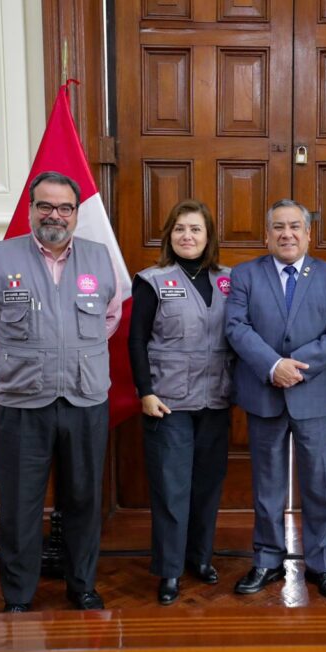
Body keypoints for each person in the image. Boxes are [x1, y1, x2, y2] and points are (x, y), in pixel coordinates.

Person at [0, 171, 122, 613]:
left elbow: (109, 319)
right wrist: (24, 356)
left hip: (84, 399)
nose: (55, 214)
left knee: (84, 501)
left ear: (76, 213)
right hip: (20, 404)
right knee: (19, 506)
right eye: (45, 206)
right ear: (31, 209)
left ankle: (82, 586)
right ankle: (17, 596)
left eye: (65, 207)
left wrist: (71, 353)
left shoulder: (99, 257)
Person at [225, 199, 326, 600]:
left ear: (308, 233)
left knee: (319, 483)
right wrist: (272, 365)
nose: (287, 234)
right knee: (268, 485)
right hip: (264, 392)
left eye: (295, 226)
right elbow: (235, 326)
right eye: (278, 227)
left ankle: (322, 565)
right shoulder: (246, 274)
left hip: (315, 394)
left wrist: (295, 366)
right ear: (266, 235)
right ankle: (266, 560)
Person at [128, 199, 233, 605]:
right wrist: (145, 392)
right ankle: (170, 570)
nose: (187, 236)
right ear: (169, 236)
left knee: (207, 486)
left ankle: (200, 559)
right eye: (179, 229)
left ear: (209, 237)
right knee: (172, 489)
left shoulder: (229, 280)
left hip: (216, 400)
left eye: (196, 229)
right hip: (167, 402)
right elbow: (136, 340)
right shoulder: (152, 280)